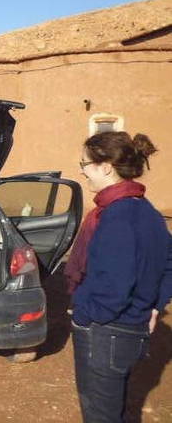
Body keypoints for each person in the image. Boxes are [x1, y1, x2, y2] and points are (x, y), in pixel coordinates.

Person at [65, 131, 171, 423]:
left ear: (106, 167)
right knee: (113, 411)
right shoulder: (148, 211)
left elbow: (115, 285)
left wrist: (85, 315)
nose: (81, 170)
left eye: (85, 163)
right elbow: (168, 263)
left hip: (107, 332)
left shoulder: (116, 217)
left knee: (101, 415)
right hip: (130, 329)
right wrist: (155, 306)